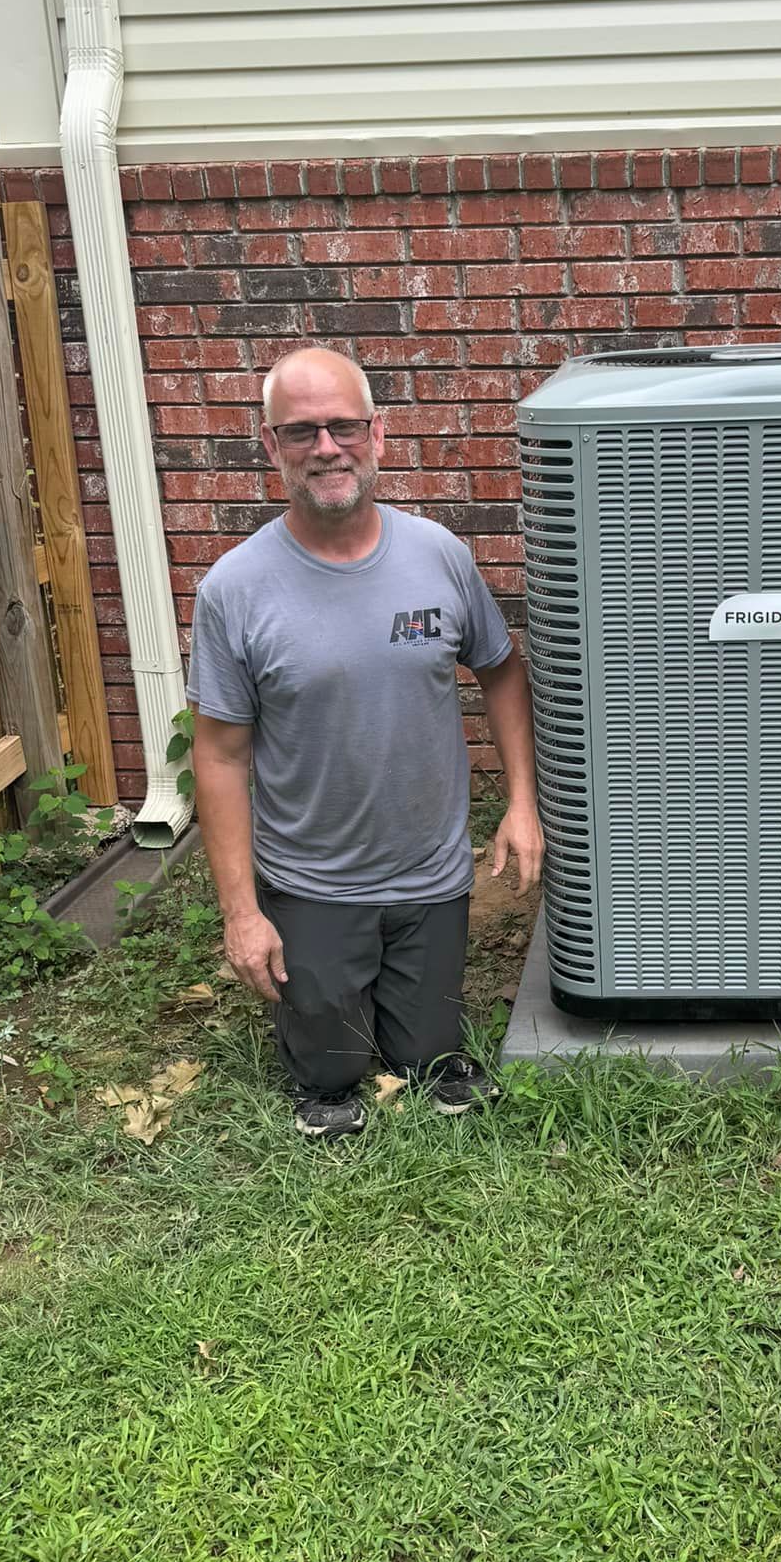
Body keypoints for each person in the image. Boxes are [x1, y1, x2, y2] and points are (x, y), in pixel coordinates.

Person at [186, 345, 544, 1135]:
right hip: (313, 880)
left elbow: (502, 672)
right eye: (301, 431)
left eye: (343, 425)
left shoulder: (439, 557)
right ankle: (328, 1032)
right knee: (335, 1070)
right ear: (271, 446)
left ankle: (410, 1015)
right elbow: (217, 755)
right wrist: (242, 913)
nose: (326, 447)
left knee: (426, 1056)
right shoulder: (235, 590)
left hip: (431, 875)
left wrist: (522, 803)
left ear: (378, 436)